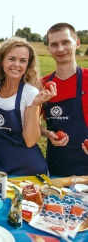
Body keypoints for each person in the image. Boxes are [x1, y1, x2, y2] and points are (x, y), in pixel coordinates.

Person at [0, 36, 51, 175]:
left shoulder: (30, 92)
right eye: (12, 59)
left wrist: (35, 106)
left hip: (25, 167)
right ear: (2, 61)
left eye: (23, 61)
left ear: (28, 65)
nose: (17, 64)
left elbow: (30, 141)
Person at [40, 22, 88, 176]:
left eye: (65, 42)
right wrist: (47, 134)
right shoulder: (42, 85)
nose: (60, 49)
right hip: (56, 167)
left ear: (77, 43)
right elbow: (32, 125)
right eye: (54, 44)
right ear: (48, 49)